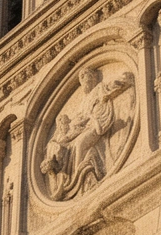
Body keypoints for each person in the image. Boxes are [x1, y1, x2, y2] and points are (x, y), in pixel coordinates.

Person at [41, 68, 135, 201]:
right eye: (82, 79)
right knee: (69, 146)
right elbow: (81, 117)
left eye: (86, 78)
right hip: (86, 126)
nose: (84, 82)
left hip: (98, 123)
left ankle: (78, 179)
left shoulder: (99, 89)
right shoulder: (84, 101)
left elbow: (110, 88)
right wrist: (69, 130)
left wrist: (123, 80)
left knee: (80, 144)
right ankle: (67, 179)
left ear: (92, 79)